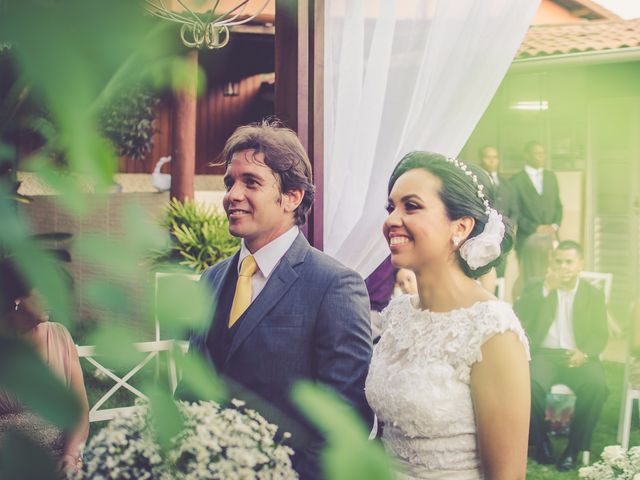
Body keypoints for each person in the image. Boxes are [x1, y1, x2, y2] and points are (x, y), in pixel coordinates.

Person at [188, 121, 373, 480]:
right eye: (230, 182)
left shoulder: (334, 285)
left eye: (251, 182)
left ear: (292, 197)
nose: (232, 195)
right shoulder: (210, 280)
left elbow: (343, 418)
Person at [366, 151, 531, 480]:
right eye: (391, 207)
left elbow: (506, 476)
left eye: (411, 206)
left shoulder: (492, 331)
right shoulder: (399, 313)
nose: (391, 220)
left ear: (461, 226)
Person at [514, 240, 608, 471]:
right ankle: (540, 442)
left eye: (569, 262)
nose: (564, 266)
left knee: (596, 386)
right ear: (551, 263)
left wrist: (585, 353)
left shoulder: (592, 294)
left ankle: (574, 448)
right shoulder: (538, 286)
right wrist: (546, 288)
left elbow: (600, 334)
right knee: (530, 384)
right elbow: (518, 314)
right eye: (559, 261)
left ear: (580, 265)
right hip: (545, 355)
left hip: (578, 356)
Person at [0, 260, 89, 475]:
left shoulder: (59, 336)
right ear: (18, 298)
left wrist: (70, 456)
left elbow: (79, 410)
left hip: (59, 460)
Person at [510, 142, 563, 258]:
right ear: (526, 155)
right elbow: (515, 212)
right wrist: (535, 227)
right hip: (527, 240)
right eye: (537, 153)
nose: (541, 156)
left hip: (551, 237)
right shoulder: (516, 180)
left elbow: (558, 205)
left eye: (543, 153)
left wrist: (554, 225)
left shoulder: (551, 176)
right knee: (529, 274)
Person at [477, 146, 518, 284]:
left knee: (500, 272)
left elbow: (514, 210)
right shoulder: (476, 182)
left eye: (495, 157)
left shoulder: (507, 184)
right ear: (481, 159)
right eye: (488, 157)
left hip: (502, 236)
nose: (492, 161)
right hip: (482, 234)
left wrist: (510, 227)